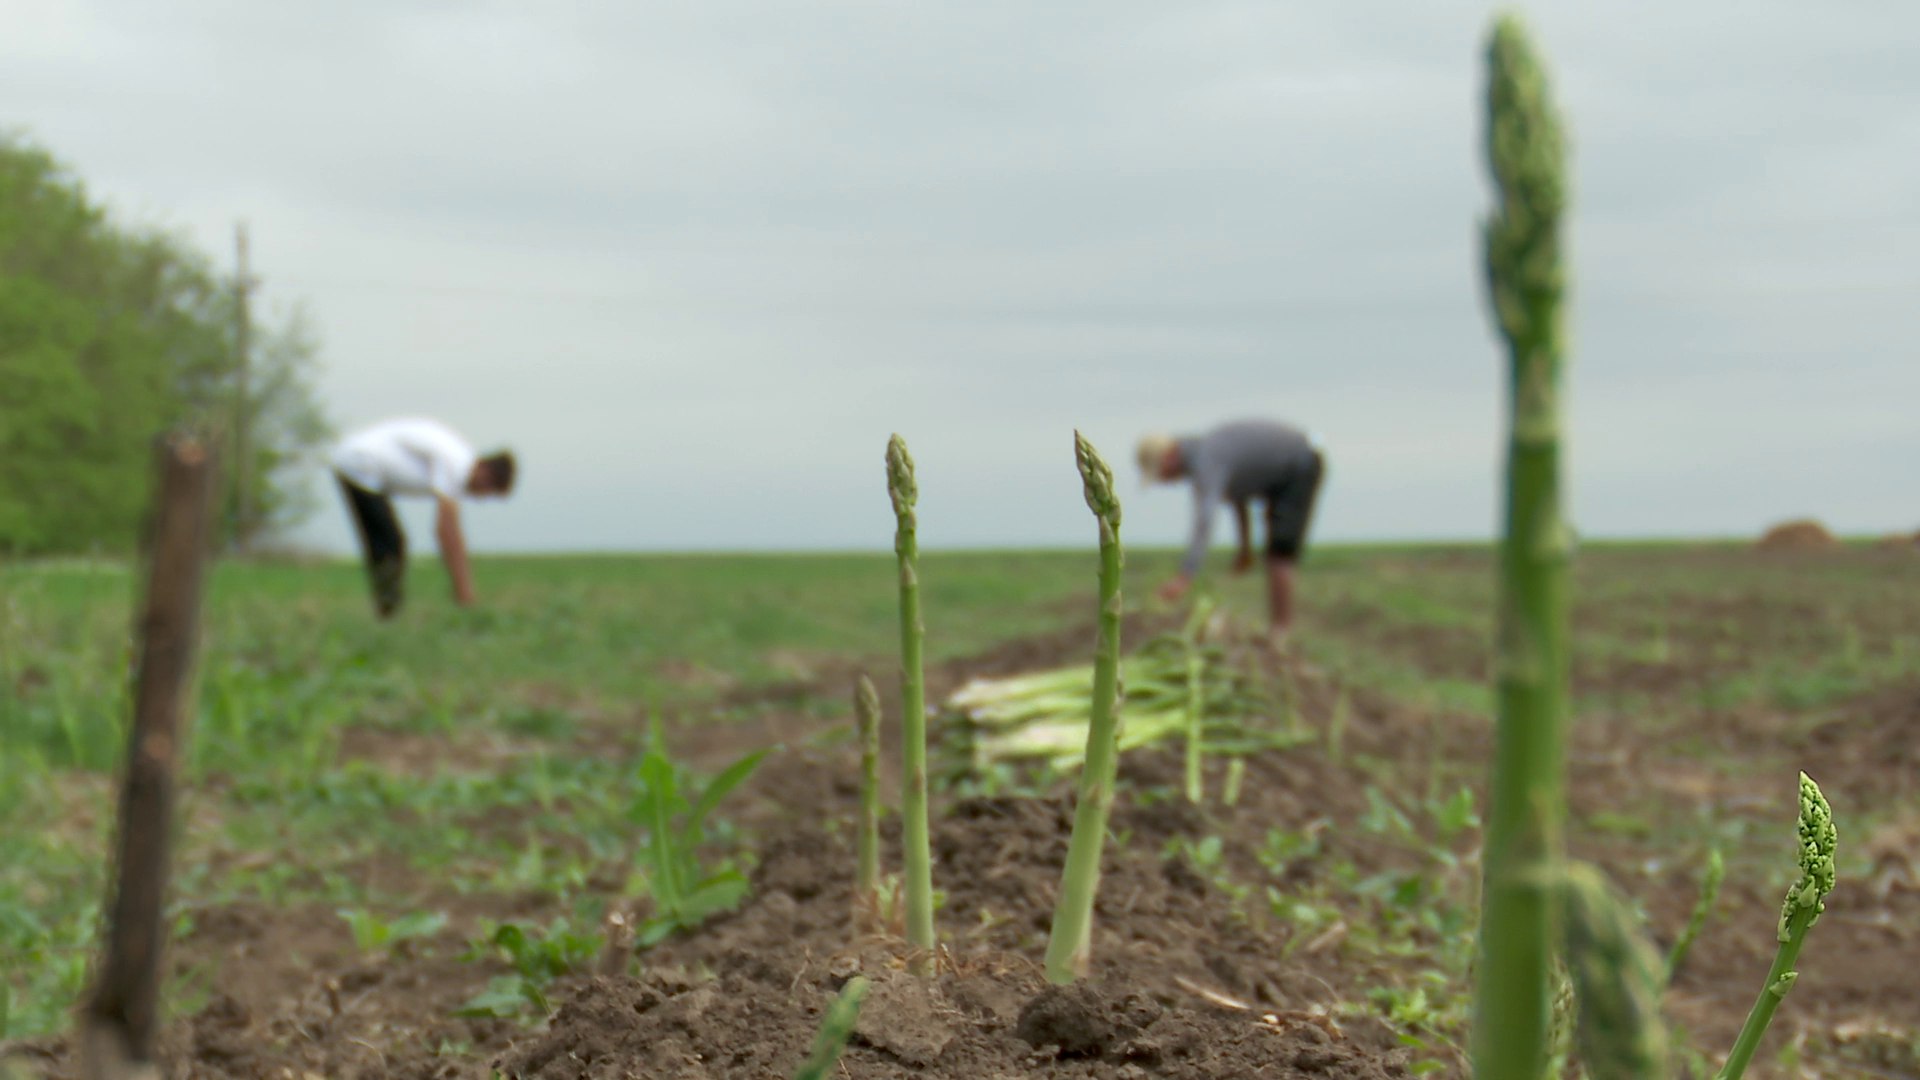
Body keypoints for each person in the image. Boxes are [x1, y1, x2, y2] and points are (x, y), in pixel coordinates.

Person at [1136, 419, 1325, 636]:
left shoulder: (1208, 458)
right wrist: (1245, 548)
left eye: (1160, 473)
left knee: (1279, 552)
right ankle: (1279, 629)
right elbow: (1238, 497)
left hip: (1299, 465)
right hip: (1283, 472)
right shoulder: (1209, 454)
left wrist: (1185, 576)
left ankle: (1281, 631)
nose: (1164, 481)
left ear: (1168, 457)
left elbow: (1205, 519)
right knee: (1275, 551)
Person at [329, 417, 516, 618]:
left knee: (390, 542)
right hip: (359, 463)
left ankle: (388, 612)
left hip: (362, 466)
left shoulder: (459, 460)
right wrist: (465, 594)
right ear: (485, 471)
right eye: (488, 490)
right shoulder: (456, 463)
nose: (482, 497)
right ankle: (388, 614)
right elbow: (447, 533)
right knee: (389, 543)